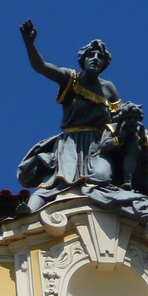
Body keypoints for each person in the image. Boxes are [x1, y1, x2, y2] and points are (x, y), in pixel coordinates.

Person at [15, 20, 121, 215]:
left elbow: (119, 120)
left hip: (98, 144)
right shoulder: (70, 78)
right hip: (71, 142)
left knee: (102, 178)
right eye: (91, 54)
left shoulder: (108, 89)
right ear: (83, 59)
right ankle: (29, 211)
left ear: (105, 63)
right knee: (59, 180)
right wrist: (30, 44)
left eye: (100, 56)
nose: (96, 58)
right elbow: (41, 66)